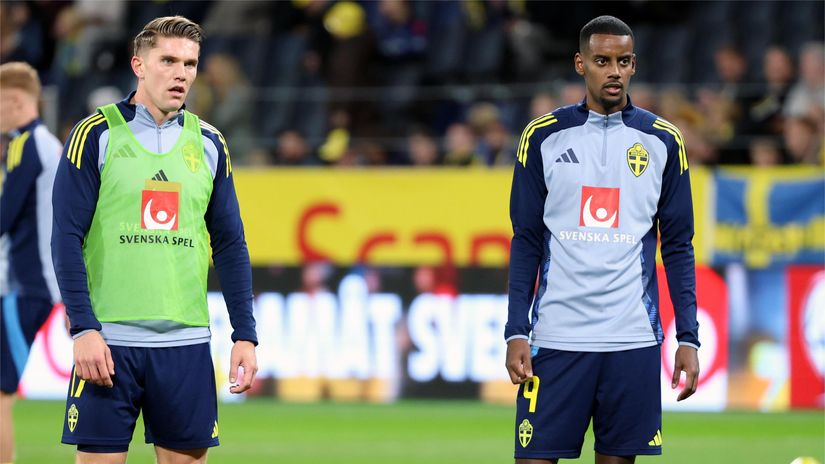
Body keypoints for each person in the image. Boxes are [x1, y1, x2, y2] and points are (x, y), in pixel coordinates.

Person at [51, 16, 258, 464]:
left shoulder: (209, 143)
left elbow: (230, 245)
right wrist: (83, 327)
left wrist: (246, 334)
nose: (181, 73)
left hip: (184, 346)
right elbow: (66, 237)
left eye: (190, 63)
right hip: (108, 346)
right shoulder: (95, 135)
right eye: (168, 60)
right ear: (139, 65)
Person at [504, 16, 700, 464]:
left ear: (634, 66)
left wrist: (687, 338)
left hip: (630, 340)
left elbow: (678, 247)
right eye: (602, 60)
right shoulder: (542, 138)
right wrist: (517, 329)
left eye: (624, 61)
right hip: (556, 338)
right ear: (580, 64)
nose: (614, 70)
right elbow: (526, 240)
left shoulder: (663, 142)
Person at [0, 61, 63, 464]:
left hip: (26, 286)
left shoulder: (27, 144)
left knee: (0, 394)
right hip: (31, 284)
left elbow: (5, 217)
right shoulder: (47, 144)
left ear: (16, 101)